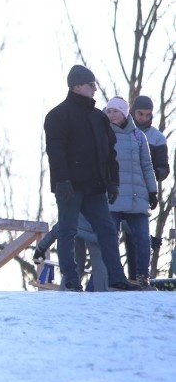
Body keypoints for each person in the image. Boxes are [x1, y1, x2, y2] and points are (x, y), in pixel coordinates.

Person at [43, 65, 140, 291]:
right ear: (77, 86)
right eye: (91, 85)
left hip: (95, 187)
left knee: (107, 230)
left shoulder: (99, 118)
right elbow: (55, 151)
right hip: (70, 186)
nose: (95, 89)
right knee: (67, 230)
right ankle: (70, 278)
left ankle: (117, 277)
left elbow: (110, 153)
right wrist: (62, 181)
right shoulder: (58, 115)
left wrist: (112, 181)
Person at [104, 96, 158, 290]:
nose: (111, 115)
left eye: (115, 111)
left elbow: (147, 165)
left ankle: (143, 277)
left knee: (143, 238)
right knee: (110, 237)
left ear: (125, 112)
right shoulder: (103, 132)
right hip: (113, 196)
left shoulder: (138, 136)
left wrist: (153, 191)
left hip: (137, 196)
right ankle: (114, 277)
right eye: (109, 111)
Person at [124, 94, 169, 280]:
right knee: (118, 233)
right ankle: (119, 277)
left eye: (146, 115)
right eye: (139, 113)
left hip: (142, 191)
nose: (142, 118)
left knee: (139, 235)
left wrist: (149, 175)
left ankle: (139, 277)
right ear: (132, 112)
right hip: (121, 189)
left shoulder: (157, 138)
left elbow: (164, 169)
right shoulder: (122, 132)